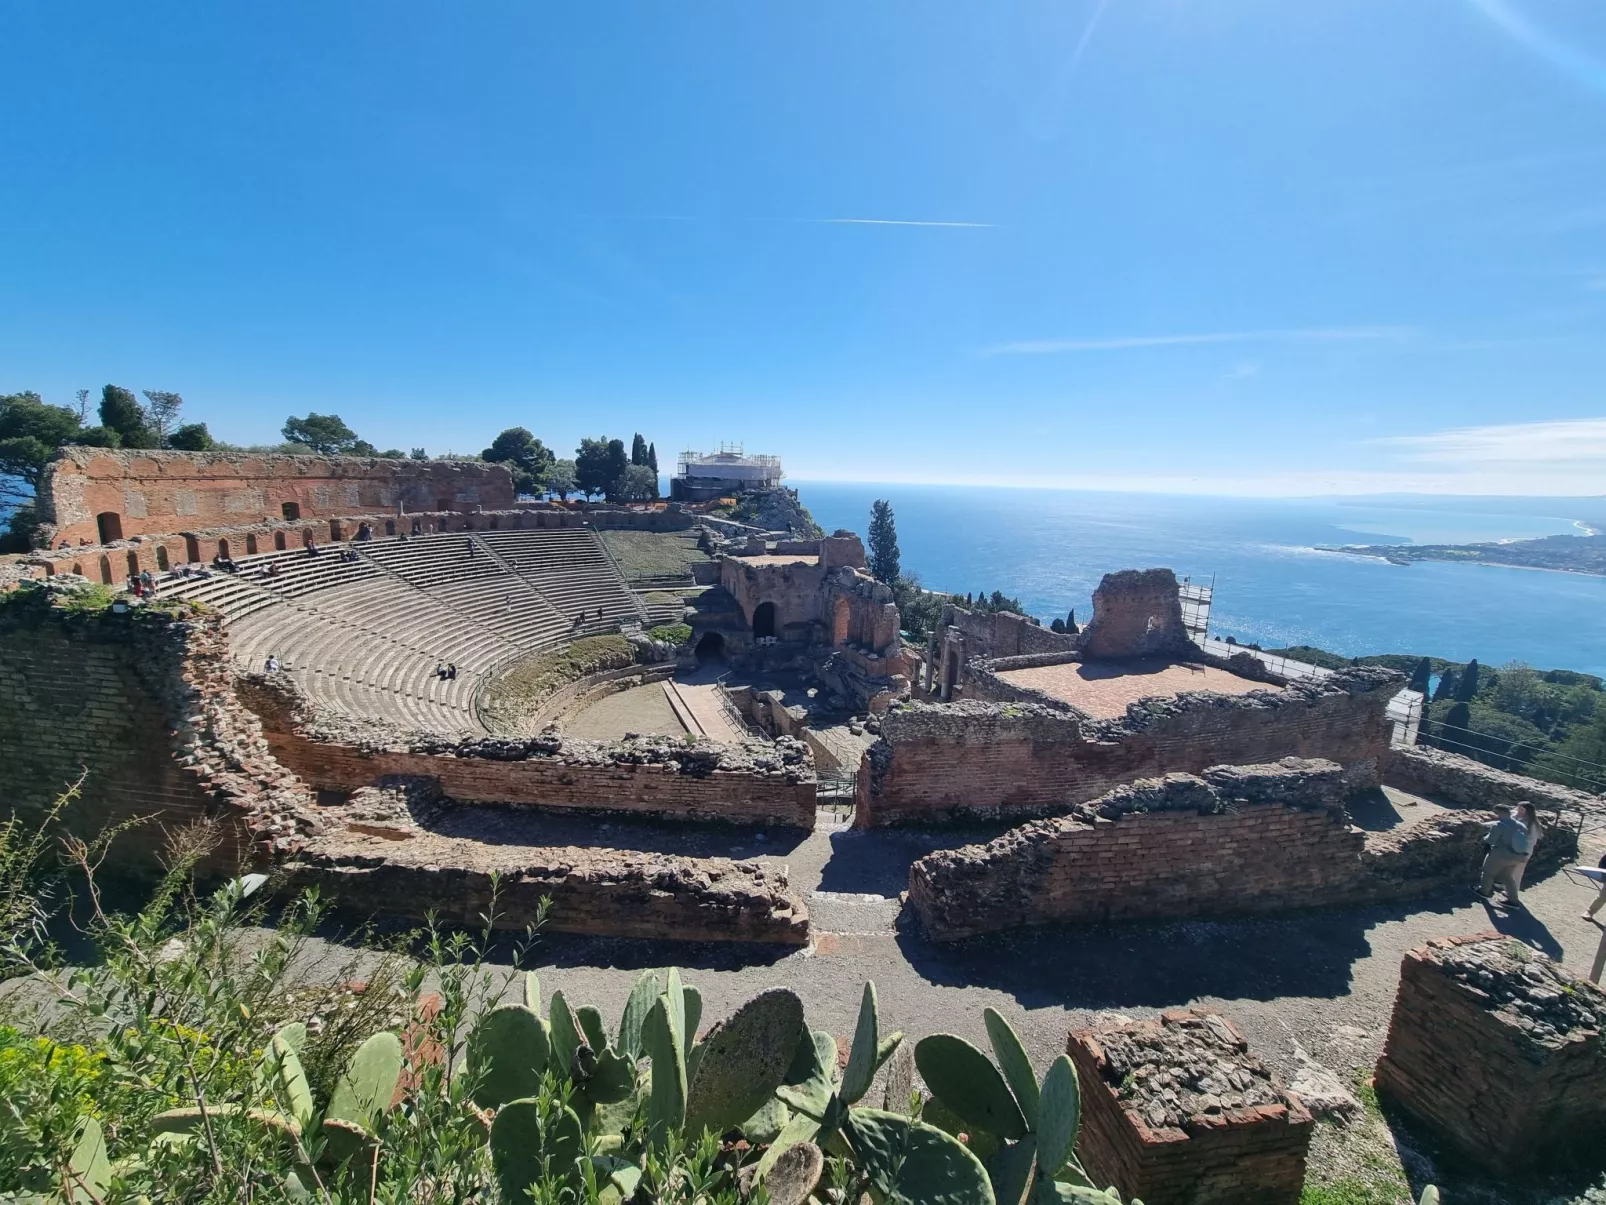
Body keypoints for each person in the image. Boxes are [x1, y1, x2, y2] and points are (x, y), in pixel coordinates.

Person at [1477, 802, 1542, 908]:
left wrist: (1485, 837)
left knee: (1488, 872)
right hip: (1518, 855)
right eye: (1518, 809)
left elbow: (1491, 839)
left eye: (1522, 809)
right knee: (1508, 877)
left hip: (1502, 854)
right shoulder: (1522, 825)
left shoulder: (1501, 825)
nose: (1519, 811)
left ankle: (1484, 891)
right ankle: (1513, 900)